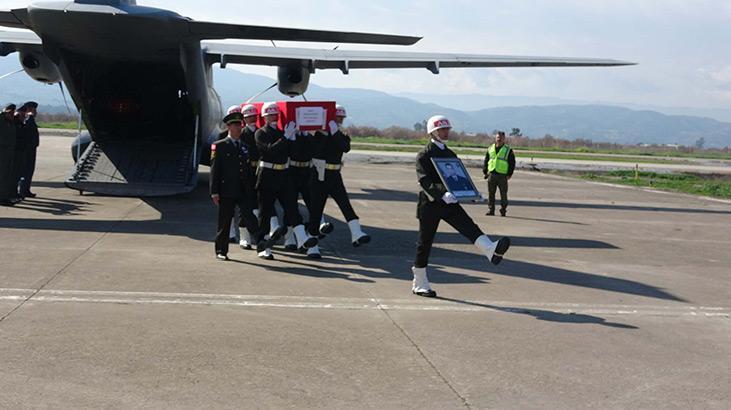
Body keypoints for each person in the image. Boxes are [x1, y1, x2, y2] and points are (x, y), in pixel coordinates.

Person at [412, 115, 511, 297]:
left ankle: (490, 249)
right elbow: (424, 181)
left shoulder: (450, 154)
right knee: (425, 242)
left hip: (450, 202)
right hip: (430, 204)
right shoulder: (424, 155)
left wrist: (470, 192)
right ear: (433, 132)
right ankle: (419, 281)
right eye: (442, 129)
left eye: (447, 129)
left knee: (469, 226)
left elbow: (459, 177)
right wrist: (442, 194)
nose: (446, 132)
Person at [210, 110, 280, 261]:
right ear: (229, 127)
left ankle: (261, 243)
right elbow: (215, 170)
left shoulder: (244, 147)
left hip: (243, 190)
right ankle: (221, 250)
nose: (238, 129)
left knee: (251, 218)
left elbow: (247, 170)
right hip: (226, 190)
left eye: (240, 126)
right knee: (225, 221)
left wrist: (252, 187)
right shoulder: (219, 146)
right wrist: (214, 192)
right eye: (235, 126)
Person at [254, 102, 317, 260]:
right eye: (270, 115)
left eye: (275, 114)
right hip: (267, 175)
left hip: (284, 175)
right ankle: (262, 246)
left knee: (292, 209)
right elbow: (270, 151)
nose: (273, 117)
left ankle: (302, 238)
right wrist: (286, 138)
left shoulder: (284, 132)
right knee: (265, 212)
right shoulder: (260, 133)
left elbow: (295, 152)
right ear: (264, 117)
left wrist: (298, 136)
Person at [307, 104, 370, 258]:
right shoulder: (318, 134)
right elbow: (316, 150)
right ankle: (312, 245)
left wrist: (334, 132)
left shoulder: (341, 134)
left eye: (341, 118)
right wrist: (325, 133)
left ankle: (356, 233)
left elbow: (345, 147)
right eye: (337, 118)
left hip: (335, 174)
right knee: (316, 209)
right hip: (320, 174)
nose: (340, 121)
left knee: (345, 203)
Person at [482, 131, 515, 217]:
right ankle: (491, 210)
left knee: (503, 194)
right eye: (498, 137)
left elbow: (512, 163)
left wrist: (510, 174)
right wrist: (485, 171)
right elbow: (486, 160)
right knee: (491, 193)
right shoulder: (490, 148)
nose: (499, 139)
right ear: (495, 138)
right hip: (492, 174)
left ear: (504, 139)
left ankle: (503, 210)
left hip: (502, 175)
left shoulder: (508, 150)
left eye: (501, 138)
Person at [17, 101, 39, 198]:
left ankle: (26, 190)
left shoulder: (30, 119)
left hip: (31, 148)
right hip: (28, 149)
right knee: (26, 170)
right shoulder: (28, 120)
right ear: (30, 109)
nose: (36, 112)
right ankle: (23, 190)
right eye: (34, 110)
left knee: (30, 170)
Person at [0, 104, 19, 206]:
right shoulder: (2, 121)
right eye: (10, 113)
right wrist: (3, 113)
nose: (12, 115)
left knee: (7, 176)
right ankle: (2, 198)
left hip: (9, 153)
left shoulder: (10, 122)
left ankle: (5, 196)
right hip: (2, 154)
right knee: (2, 176)